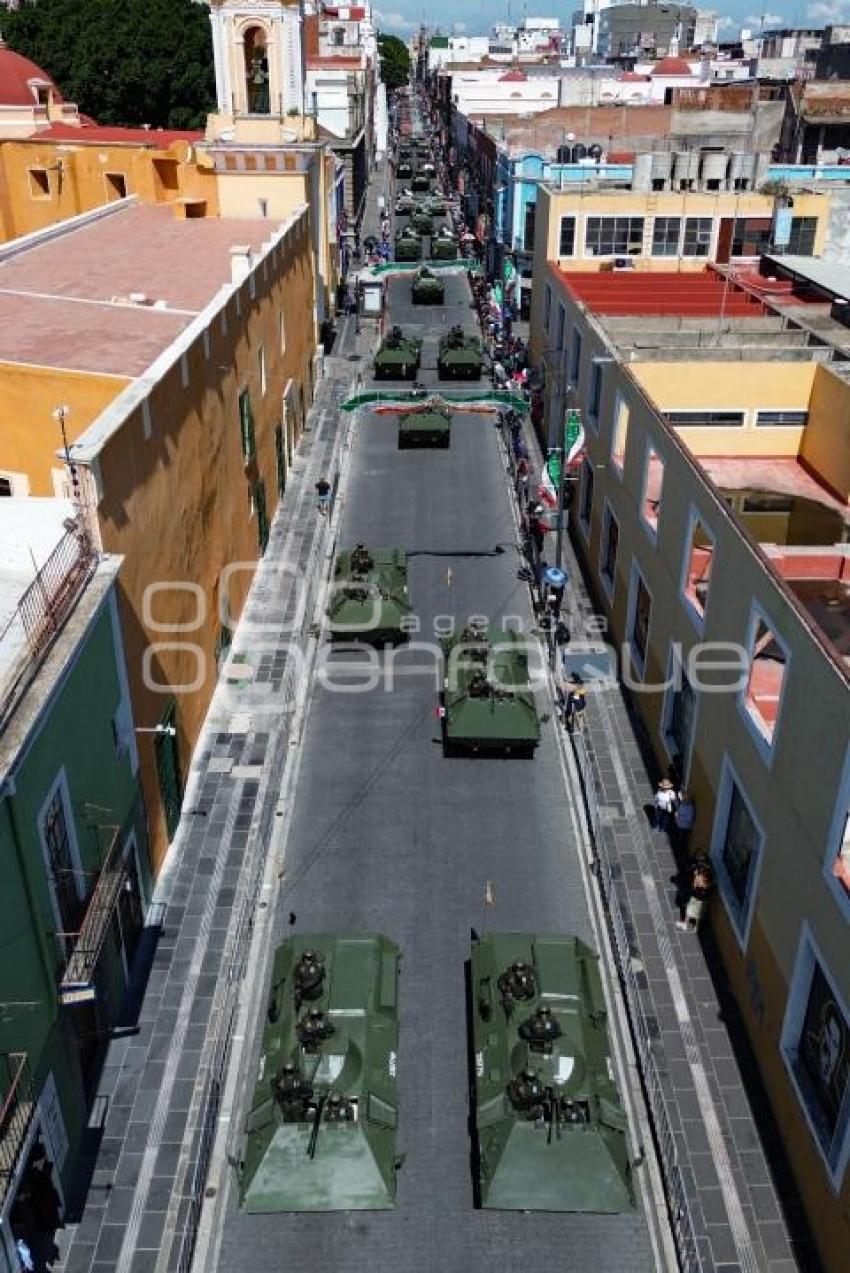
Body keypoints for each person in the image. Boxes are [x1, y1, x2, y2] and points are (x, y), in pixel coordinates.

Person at [677, 855, 713, 931]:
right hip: (701, 900)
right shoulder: (706, 878)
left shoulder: (701, 878)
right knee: (697, 914)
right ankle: (693, 926)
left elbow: (695, 886)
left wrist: (695, 882)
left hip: (697, 898)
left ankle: (686, 924)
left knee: (690, 911)